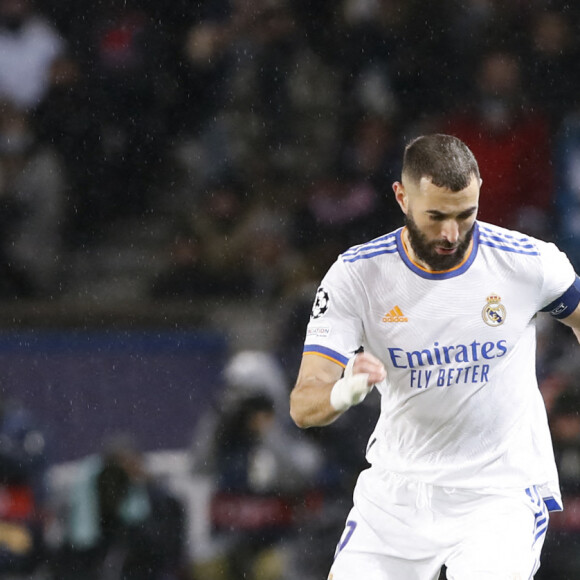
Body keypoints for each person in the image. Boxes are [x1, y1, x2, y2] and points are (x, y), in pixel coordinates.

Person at [289, 134, 580, 579]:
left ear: (480, 189)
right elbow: (304, 404)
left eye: (466, 215)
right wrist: (343, 392)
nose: (451, 234)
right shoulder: (356, 276)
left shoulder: (528, 263)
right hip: (395, 500)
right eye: (436, 216)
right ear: (402, 197)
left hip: (499, 496)